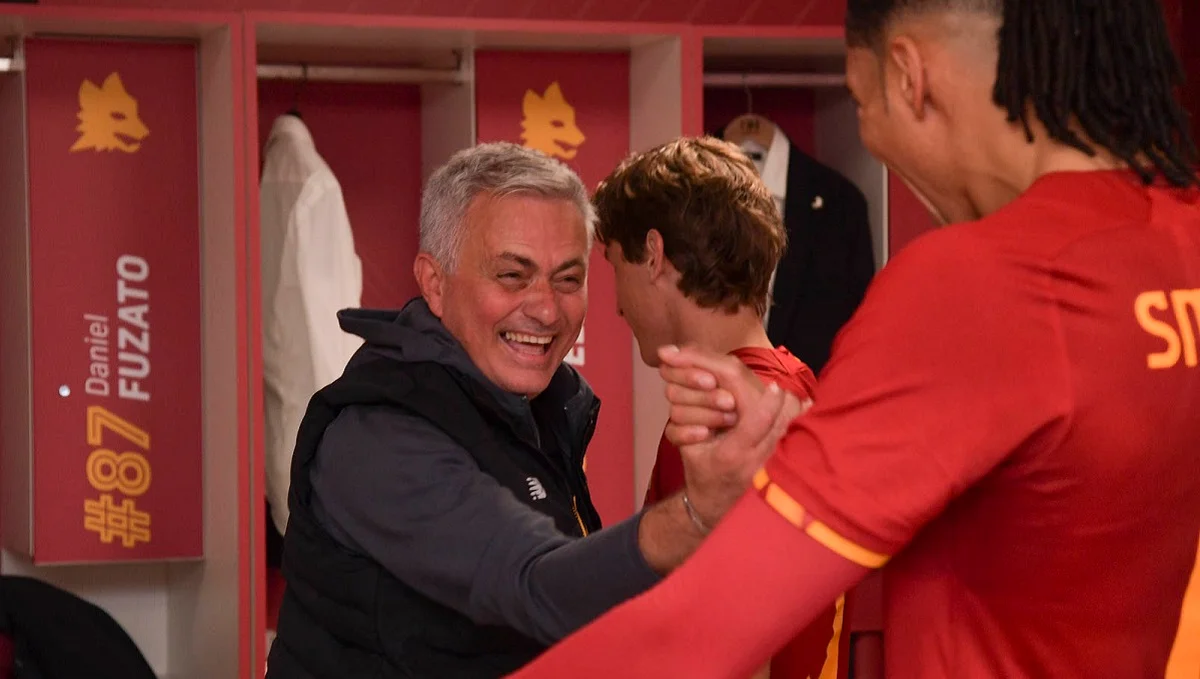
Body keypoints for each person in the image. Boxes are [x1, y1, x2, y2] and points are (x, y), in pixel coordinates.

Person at [507, 0, 1200, 677]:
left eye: (864, 106)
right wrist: (817, 446)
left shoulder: (980, 283)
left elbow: (710, 622)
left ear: (909, 74)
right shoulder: (1182, 242)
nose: (875, 141)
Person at [264, 142, 764, 678]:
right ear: (434, 283)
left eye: (568, 279)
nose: (546, 309)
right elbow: (532, 583)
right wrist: (696, 514)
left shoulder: (538, 404)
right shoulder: (378, 439)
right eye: (511, 275)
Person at [593, 136, 849, 679]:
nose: (615, 304)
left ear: (654, 255)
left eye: (614, 266)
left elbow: (736, 637)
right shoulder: (793, 385)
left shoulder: (728, 416)